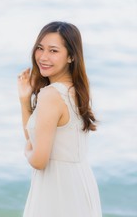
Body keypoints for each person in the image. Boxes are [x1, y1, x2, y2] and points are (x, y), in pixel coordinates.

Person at [18, 21, 102, 217]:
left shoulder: (51, 95)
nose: (43, 57)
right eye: (40, 48)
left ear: (71, 56)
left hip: (56, 189)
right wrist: (24, 100)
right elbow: (37, 136)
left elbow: (39, 159)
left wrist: (27, 150)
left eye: (53, 51)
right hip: (79, 184)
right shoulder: (77, 90)